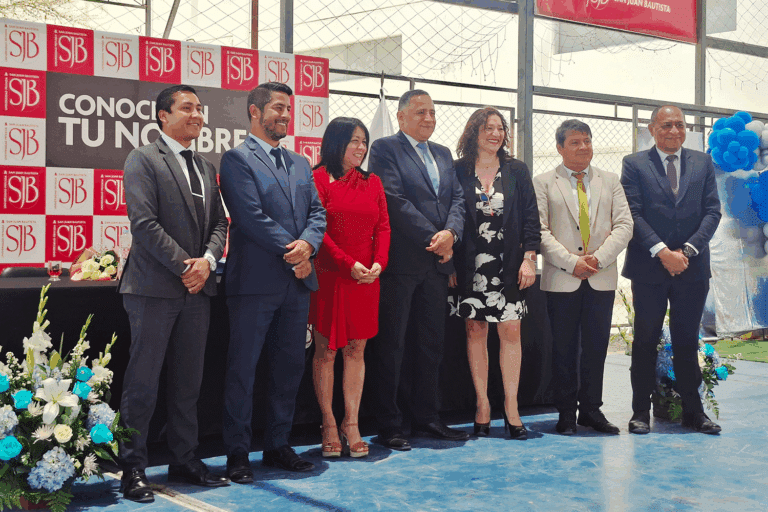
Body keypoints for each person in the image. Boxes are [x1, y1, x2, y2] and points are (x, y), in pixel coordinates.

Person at [118, 85, 230, 502]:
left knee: (188, 382)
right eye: (187, 108)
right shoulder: (143, 159)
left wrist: (208, 261)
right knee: (142, 384)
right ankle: (132, 468)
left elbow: (220, 223)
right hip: (153, 289)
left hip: (198, 290)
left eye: (200, 108)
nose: (197, 115)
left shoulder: (204, 165)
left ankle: (185, 458)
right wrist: (188, 266)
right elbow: (144, 224)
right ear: (163, 116)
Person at [219, 82, 327, 480]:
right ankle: (237, 454)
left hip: (296, 285)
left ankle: (278, 445)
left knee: (288, 369)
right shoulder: (236, 159)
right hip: (254, 284)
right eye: (278, 108)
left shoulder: (300, 162)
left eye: (288, 109)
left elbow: (317, 213)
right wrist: (297, 251)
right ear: (255, 111)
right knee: (243, 371)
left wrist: (309, 246)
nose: (285, 115)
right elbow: (249, 217)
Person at [368, 89, 468, 451]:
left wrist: (451, 234)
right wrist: (434, 238)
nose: (429, 118)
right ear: (401, 117)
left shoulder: (442, 153)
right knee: (392, 345)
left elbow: (457, 199)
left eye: (432, 112)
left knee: (431, 344)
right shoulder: (384, 149)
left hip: (438, 266)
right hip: (402, 264)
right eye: (420, 112)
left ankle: (427, 417)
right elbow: (393, 200)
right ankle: (390, 424)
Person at [621, 105, 722, 435]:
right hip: (649, 268)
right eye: (666, 125)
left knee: (686, 342)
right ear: (652, 128)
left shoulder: (703, 162)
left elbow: (712, 212)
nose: (674, 131)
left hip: (692, 268)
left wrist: (687, 251)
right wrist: (663, 252)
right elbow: (633, 213)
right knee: (645, 341)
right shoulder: (634, 164)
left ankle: (694, 413)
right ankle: (640, 412)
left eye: (679, 125)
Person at [533, 119, 633, 435]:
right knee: (563, 348)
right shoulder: (543, 182)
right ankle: (565, 413)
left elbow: (624, 225)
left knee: (596, 346)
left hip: (601, 277)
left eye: (587, 141)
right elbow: (539, 230)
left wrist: (597, 259)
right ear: (560, 148)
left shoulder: (610, 181)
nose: (583, 147)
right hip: (562, 278)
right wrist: (571, 263)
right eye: (575, 142)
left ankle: (591, 410)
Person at [449, 107, 541, 440]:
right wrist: (449, 266)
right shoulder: (457, 170)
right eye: (488, 127)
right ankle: (482, 405)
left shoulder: (517, 170)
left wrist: (529, 259)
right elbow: (449, 216)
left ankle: (511, 409)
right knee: (475, 331)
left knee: (511, 331)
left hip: (509, 265)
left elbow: (531, 217)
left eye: (500, 128)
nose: (496, 133)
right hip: (469, 265)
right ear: (474, 132)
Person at [309, 117, 391, 458]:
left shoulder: (373, 182)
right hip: (330, 276)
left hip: (366, 279)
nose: (360, 148)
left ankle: (351, 423)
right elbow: (317, 229)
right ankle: (328, 424)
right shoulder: (316, 178)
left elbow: (383, 227)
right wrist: (347, 264)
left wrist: (378, 263)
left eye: (364, 141)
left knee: (357, 350)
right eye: (354, 141)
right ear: (336, 142)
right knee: (326, 351)